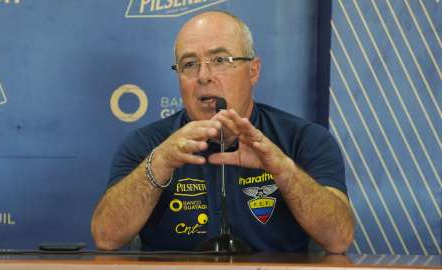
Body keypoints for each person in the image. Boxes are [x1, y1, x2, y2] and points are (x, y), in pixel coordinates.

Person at [91, 10, 355, 253]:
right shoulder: (146, 144)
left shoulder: (305, 140)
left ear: (253, 71)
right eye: (190, 64)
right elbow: (106, 238)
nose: (204, 76)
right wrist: (159, 163)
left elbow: (339, 239)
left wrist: (284, 170)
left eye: (219, 60)